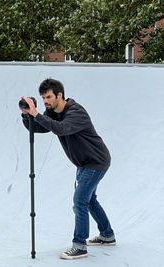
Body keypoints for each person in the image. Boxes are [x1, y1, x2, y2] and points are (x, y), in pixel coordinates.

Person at [19, 78, 115, 260]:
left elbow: (62, 129)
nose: (45, 101)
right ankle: (107, 235)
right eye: (43, 97)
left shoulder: (76, 112)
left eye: (48, 97)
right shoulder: (53, 112)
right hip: (84, 163)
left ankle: (79, 246)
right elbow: (39, 128)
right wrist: (27, 115)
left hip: (96, 162)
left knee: (80, 201)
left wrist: (37, 114)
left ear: (59, 95)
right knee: (90, 201)